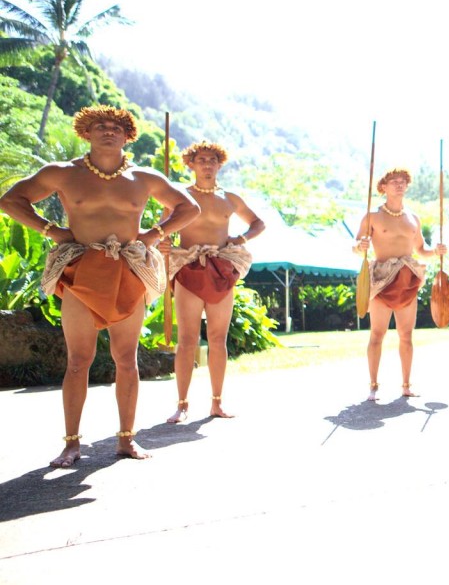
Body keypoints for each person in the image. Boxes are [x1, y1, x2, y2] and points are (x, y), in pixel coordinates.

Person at [0, 105, 200, 467]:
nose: (108, 131)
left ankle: (126, 440)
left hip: (127, 269)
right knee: (79, 360)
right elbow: (11, 200)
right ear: (85, 133)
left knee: (127, 359)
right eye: (100, 126)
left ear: (128, 136)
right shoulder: (62, 173)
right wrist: (50, 229)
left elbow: (188, 208)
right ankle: (71, 444)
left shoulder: (145, 178)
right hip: (81, 270)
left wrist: (154, 234)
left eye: (116, 127)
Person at [163, 141, 265, 424]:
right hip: (188, 269)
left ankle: (217, 403)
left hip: (220, 269)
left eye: (212, 160)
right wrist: (164, 241)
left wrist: (240, 238)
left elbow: (258, 223)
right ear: (191, 164)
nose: (207, 164)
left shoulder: (229, 198)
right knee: (186, 340)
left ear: (219, 164)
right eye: (201, 159)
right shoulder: (179, 196)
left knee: (218, 339)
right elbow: (163, 228)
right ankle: (182, 404)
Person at [353, 168, 446, 401]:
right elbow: (355, 246)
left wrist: (435, 251)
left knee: (406, 335)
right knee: (377, 334)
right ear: (383, 187)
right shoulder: (372, 216)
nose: (399, 184)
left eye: (403, 181)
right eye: (394, 181)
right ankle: (373, 385)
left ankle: (406, 385)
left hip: (407, 281)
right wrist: (360, 247)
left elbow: (421, 250)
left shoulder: (413, 218)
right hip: (382, 281)